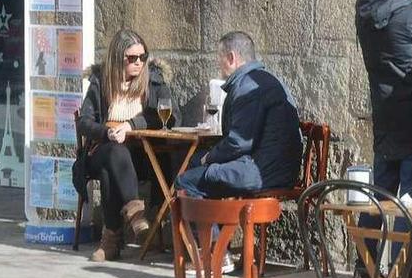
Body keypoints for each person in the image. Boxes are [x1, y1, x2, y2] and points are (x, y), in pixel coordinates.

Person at [353, 0, 412, 278]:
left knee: (379, 197)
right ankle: (401, 274)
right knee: (408, 202)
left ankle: (364, 268)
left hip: (383, 115)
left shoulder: (366, 9)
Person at [78, 29, 179, 262]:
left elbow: (170, 116)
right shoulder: (101, 82)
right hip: (103, 149)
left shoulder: (153, 81)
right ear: (117, 58)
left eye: (142, 57)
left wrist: (132, 125)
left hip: (142, 158)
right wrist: (108, 132)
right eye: (131, 58)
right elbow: (84, 121)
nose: (138, 63)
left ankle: (110, 240)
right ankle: (136, 214)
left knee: (109, 171)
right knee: (113, 152)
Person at [176, 31, 302, 199]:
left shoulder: (247, 86)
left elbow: (239, 143)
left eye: (219, 58)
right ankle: (219, 225)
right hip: (273, 168)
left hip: (262, 173)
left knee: (185, 181)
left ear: (231, 57)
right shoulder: (263, 79)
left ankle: (214, 226)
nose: (218, 63)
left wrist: (209, 157)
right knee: (194, 163)